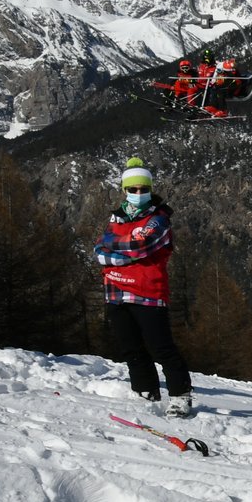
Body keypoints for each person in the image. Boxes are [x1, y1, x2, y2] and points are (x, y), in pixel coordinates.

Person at [93, 157, 193, 416]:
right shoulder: (117, 218)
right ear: (124, 191)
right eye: (133, 189)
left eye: (143, 189)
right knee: (131, 348)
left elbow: (140, 247)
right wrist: (122, 251)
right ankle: (144, 391)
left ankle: (180, 395)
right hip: (115, 292)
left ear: (150, 189)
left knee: (161, 348)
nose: (139, 194)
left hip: (148, 292)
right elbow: (98, 250)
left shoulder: (158, 219)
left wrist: (113, 248)